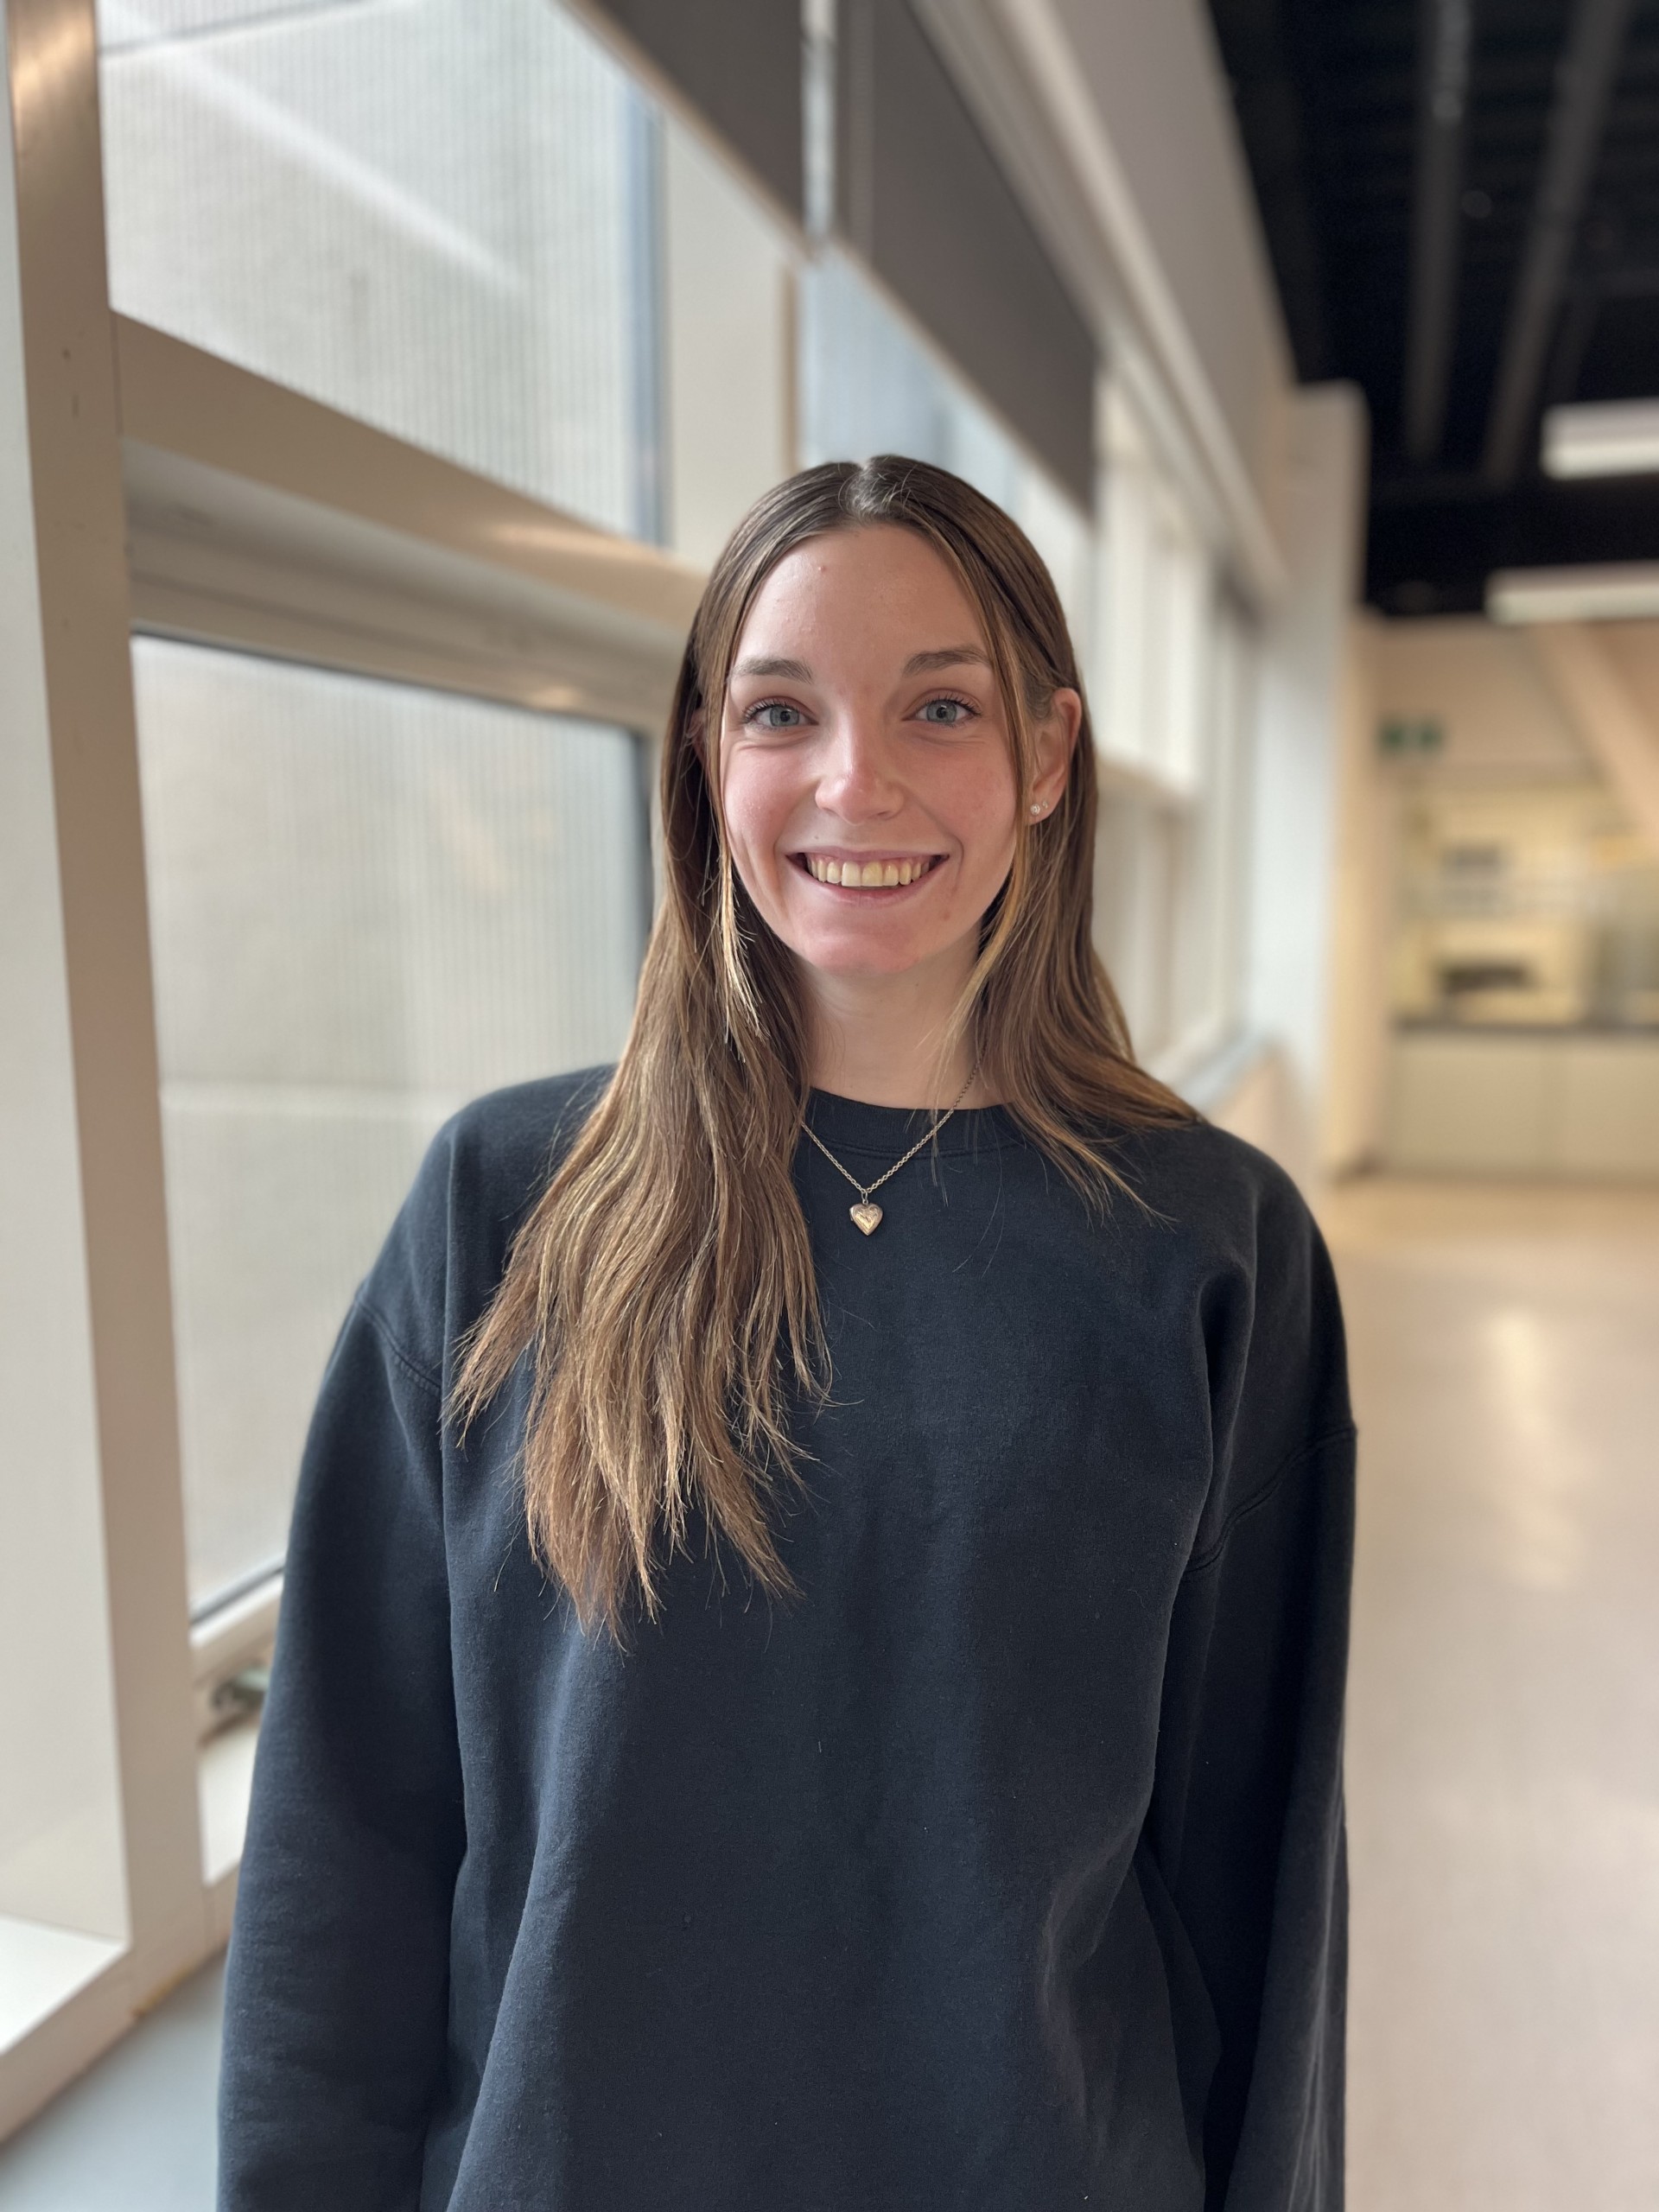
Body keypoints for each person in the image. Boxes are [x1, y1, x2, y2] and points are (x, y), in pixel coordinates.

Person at [218, 457, 1354, 2211]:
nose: (854, 780)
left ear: (1049, 754)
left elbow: (1257, 1875)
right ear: (704, 754)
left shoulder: (1212, 1244)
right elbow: (346, 1824)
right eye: (780, 711)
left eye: (941, 706)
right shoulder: (505, 1205)